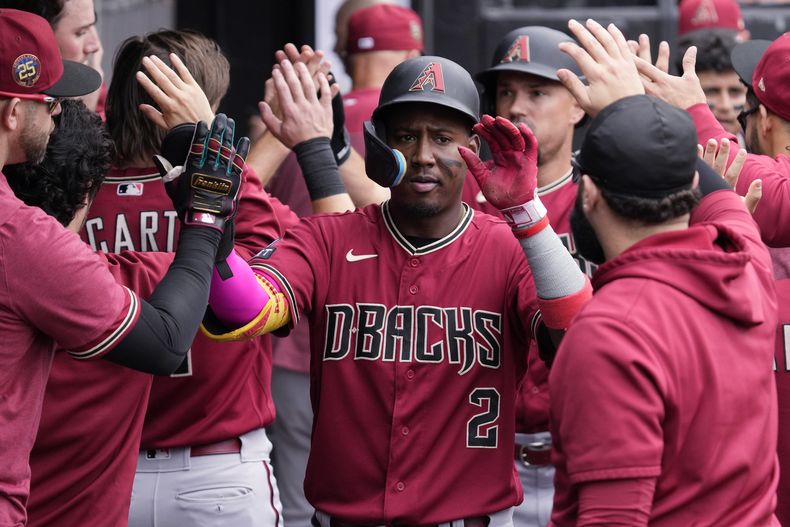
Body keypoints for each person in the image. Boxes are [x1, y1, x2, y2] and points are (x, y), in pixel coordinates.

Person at [203, 54, 591, 526]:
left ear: (472, 148)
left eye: (443, 138)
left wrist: (527, 213)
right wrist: (210, 225)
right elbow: (241, 310)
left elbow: (578, 338)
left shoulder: (508, 249)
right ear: (380, 145)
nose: (424, 155)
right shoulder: (328, 239)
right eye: (407, 136)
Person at [0, 9, 245, 525]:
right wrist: (205, 217)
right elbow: (167, 340)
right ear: (13, 113)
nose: (58, 113)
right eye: (50, 102)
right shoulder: (21, 237)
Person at [546, 18, 779, 526]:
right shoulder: (745, 260)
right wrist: (638, 109)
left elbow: (612, 518)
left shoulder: (611, 330)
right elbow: (720, 196)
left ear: (589, 194)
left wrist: (634, 107)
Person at [78, 30, 291, 527]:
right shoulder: (232, 198)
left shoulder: (73, 193)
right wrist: (211, 140)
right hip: (216, 470)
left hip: (102, 472)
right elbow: (273, 266)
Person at [468, 25, 588, 527]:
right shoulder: (464, 201)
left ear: (578, 105)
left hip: (581, 454)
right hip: (481, 457)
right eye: (506, 92)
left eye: (537, 92)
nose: (516, 107)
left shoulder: (602, 200)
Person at [0, 0, 105, 113]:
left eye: (93, 25)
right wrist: (85, 112)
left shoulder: (89, 82)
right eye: (81, 32)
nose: (95, 45)